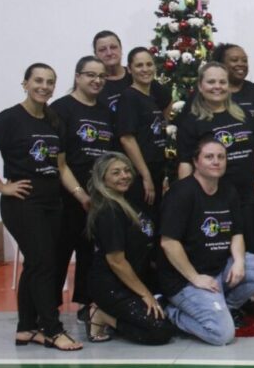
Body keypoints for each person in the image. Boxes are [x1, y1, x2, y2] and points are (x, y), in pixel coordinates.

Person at [0, 63, 86, 351]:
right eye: (38, 81)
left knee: (37, 263)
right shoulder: (10, 118)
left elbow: (60, 166)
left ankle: (26, 328)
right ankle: (51, 329)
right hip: (23, 202)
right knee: (44, 263)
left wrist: (80, 194)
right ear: (25, 84)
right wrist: (2, 186)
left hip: (52, 201)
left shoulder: (53, 120)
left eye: (49, 82)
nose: (43, 87)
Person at [159, 137, 254, 345]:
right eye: (209, 157)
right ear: (196, 162)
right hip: (184, 279)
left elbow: (236, 233)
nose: (216, 161)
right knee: (222, 335)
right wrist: (195, 278)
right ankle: (171, 313)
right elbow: (168, 243)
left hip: (218, 270)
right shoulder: (181, 193)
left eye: (221, 157)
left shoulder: (228, 191)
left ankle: (226, 307)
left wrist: (239, 261)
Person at [176, 62, 254, 256]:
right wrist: (185, 197)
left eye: (222, 82)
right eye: (211, 82)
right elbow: (185, 162)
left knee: (252, 248)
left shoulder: (243, 114)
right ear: (200, 86)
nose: (217, 86)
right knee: (221, 253)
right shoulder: (192, 122)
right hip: (214, 199)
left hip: (248, 195)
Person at [50, 56, 116, 320]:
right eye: (90, 74)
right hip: (67, 196)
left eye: (101, 76)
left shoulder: (105, 112)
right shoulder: (61, 109)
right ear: (77, 77)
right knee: (59, 253)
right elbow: (59, 160)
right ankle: (47, 310)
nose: (97, 80)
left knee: (89, 254)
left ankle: (85, 306)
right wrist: (79, 193)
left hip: (97, 196)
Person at [84, 153, 173, 345]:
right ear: (103, 178)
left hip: (133, 280)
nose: (124, 176)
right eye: (116, 173)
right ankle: (102, 316)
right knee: (160, 331)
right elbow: (116, 261)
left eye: (126, 170)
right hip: (112, 286)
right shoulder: (109, 211)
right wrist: (145, 294)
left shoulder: (127, 202)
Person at [116, 47, 167, 227]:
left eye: (148, 64)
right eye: (139, 65)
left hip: (156, 170)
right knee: (142, 225)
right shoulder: (129, 97)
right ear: (129, 69)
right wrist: (145, 176)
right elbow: (127, 138)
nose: (145, 69)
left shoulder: (151, 97)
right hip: (140, 174)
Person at [92, 30, 170, 113]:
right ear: (95, 54)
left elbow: (167, 102)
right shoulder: (95, 84)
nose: (109, 53)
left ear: (121, 49)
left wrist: (163, 124)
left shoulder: (138, 74)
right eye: (102, 50)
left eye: (113, 47)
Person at [212, 43, 254, 120]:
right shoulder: (211, 93)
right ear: (220, 64)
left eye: (244, 60)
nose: (241, 64)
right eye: (234, 60)